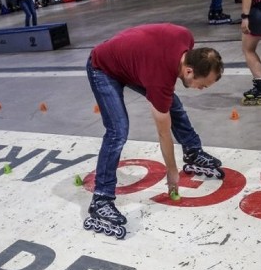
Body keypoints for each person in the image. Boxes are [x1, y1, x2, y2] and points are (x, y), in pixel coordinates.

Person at [84, 23, 225, 237]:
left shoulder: (186, 38)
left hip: (134, 63)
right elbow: (163, 133)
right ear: (188, 70)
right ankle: (101, 200)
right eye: (202, 85)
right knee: (118, 131)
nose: (201, 89)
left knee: (173, 105)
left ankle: (193, 152)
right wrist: (172, 172)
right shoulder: (160, 78)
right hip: (103, 67)